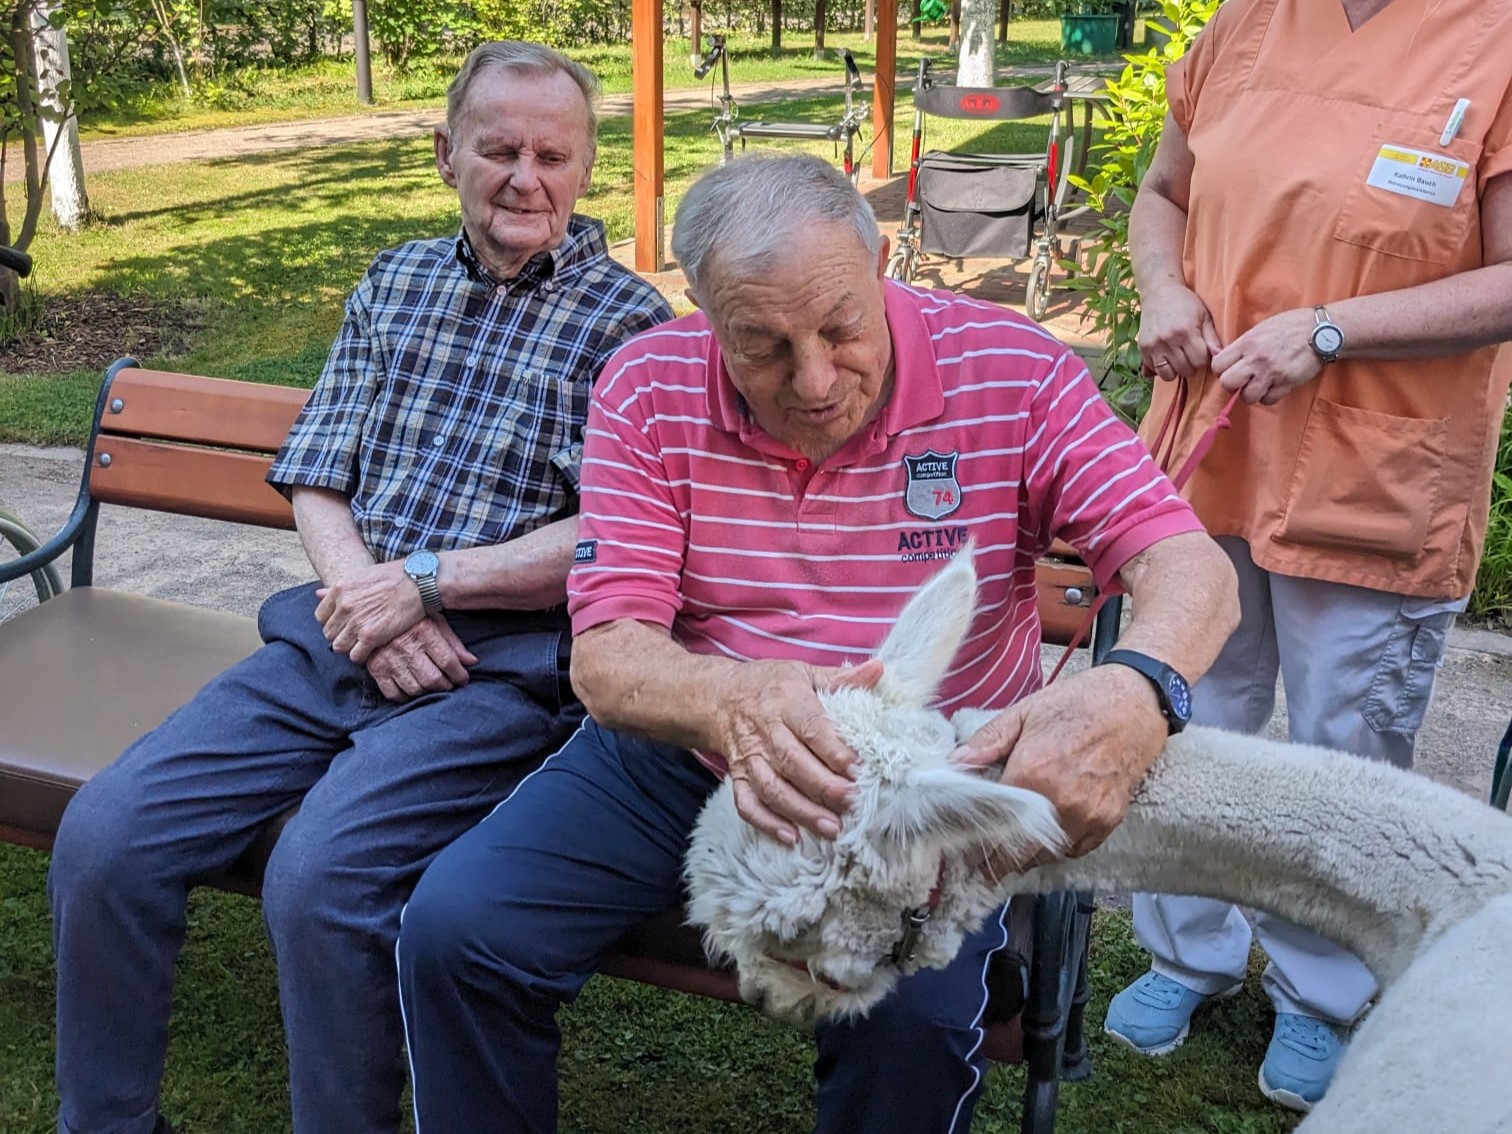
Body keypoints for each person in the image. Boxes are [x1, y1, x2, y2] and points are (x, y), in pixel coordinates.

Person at [394, 153, 1239, 1133]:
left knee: (911, 1019)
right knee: (458, 929)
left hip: (912, 786)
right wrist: (734, 700)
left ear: (882, 264)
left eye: (842, 326)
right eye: (760, 345)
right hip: (684, 757)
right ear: (706, 314)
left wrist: (1141, 687)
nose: (814, 378)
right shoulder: (646, 385)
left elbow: (1186, 563)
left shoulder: (1012, 368)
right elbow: (611, 653)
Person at [47, 41, 672, 1134]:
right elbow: (316, 473)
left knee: (320, 879)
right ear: (445, 155)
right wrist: (369, 602)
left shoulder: (635, 332)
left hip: (493, 673)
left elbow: (615, 533)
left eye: (551, 154)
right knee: (107, 833)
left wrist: (424, 587)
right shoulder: (395, 282)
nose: (525, 177)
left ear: (583, 171)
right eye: (497, 149)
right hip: (334, 639)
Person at [1101, 0, 1512, 1114]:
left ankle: (1321, 990)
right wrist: (1165, 289)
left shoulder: (1499, 42)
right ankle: (1186, 951)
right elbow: (1163, 195)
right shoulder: (1244, 23)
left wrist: (1330, 330)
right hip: (1214, 444)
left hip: (1376, 475)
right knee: (1194, 715)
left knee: (1347, 746)